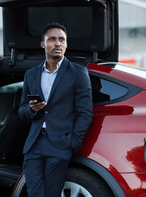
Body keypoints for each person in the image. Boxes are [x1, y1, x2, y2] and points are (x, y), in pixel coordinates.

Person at [18, 22, 93, 197]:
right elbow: (21, 111)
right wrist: (31, 109)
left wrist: (72, 142)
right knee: (34, 193)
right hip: (33, 145)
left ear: (66, 45)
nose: (57, 43)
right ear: (43, 44)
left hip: (60, 144)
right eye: (52, 39)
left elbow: (85, 112)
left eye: (62, 40)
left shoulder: (78, 73)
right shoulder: (31, 74)